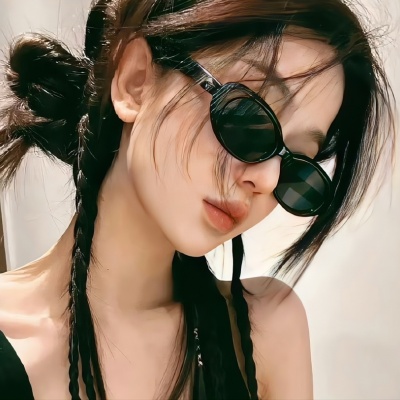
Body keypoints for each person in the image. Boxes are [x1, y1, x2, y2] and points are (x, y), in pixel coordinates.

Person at [0, 0, 394, 399]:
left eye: (298, 165)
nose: (266, 179)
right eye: (248, 118)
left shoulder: (265, 332)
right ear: (135, 82)